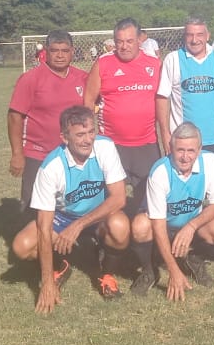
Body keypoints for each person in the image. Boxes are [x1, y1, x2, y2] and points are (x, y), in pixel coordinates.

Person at [11, 106, 132, 312]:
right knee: (22, 246)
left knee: (120, 226)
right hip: (64, 218)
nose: (88, 140)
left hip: (97, 214)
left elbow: (119, 198)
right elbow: (43, 227)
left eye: (91, 132)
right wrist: (46, 283)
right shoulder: (51, 168)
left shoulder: (105, 147)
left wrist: (78, 226)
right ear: (64, 138)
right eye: (80, 135)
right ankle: (59, 266)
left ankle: (107, 274)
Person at [129, 123, 214, 300]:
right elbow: (158, 224)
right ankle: (149, 270)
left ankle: (194, 259)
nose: (185, 157)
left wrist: (191, 227)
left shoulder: (210, 162)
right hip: (163, 226)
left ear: (199, 150)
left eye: (191, 151)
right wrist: (174, 271)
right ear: (170, 148)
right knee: (140, 226)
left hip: (190, 224)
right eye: (180, 150)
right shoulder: (160, 172)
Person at [84, 18, 162, 212]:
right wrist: (88, 136)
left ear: (139, 40)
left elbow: (163, 102)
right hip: (111, 144)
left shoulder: (154, 64)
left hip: (146, 144)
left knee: (149, 203)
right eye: (119, 41)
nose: (124, 46)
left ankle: (142, 229)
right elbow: (88, 101)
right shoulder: (103, 63)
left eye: (129, 41)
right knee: (109, 204)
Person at [7, 29, 88, 214]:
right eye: (54, 50)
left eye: (64, 51)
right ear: (46, 51)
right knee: (34, 211)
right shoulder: (30, 79)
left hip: (72, 155)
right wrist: (17, 154)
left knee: (72, 207)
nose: (60, 55)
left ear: (72, 51)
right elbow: (14, 116)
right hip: (38, 155)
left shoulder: (83, 78)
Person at [157, 16, 214, 180]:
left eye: (199, 34)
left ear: (208, 36)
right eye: (190, 35)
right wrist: (165, 134)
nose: (194, 40)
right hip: (183, 140)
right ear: (184, 36)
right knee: (182, 185)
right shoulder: (172, 59)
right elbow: (162, 97)